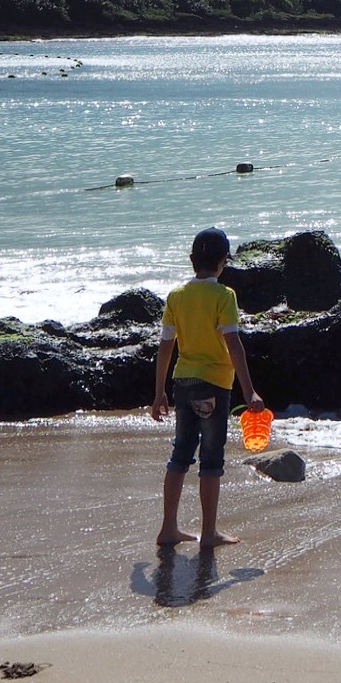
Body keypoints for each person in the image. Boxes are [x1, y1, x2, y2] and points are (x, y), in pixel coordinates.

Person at [149, 226, 266, 549]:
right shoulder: (224, 296)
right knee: (211, 460)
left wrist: (159, 392)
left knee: (180, 455)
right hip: (214, 385)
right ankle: (209, 532)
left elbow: (165, 347)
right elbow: (233, 344)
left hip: (182, 383)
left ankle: (168, 528)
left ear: (191, 260)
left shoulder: (176, 296)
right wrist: (249, 390)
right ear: (223, 261)